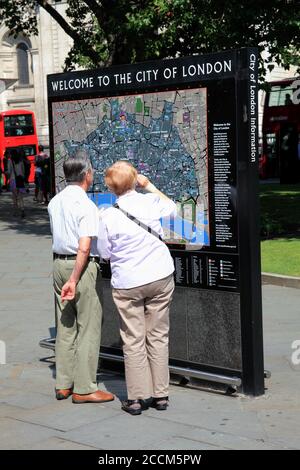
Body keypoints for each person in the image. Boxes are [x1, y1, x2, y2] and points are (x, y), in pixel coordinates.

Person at [97, 161, 176, 415]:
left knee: (133, 340)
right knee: (158, 335)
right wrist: (149, 185)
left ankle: (136, 399)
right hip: (160, 275)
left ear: (110, 187)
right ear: (135, 180)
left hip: (128, 282)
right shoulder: (150, 202)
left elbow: (105, 253)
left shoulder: (107, 215)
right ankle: (161, 395)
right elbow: (173, 208)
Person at [47, 155, 114, 404]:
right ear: (86, 175)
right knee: (88, 326)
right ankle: (85, 388)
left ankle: (63, 383)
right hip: (81, 268)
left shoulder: (55, 202)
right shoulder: (86, 205)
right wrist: (74, 279)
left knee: (65, 325)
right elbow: (84, 247)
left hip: (58, 263)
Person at [7, 148, 26, 217]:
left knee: (14, 197)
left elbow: (9, 172)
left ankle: (15, 212)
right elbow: (23, 171)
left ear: (11, 154)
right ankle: (22, 209)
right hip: (20, 180)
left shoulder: (10, 161)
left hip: (13, 180)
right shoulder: (20, 161)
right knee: (20, 197)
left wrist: (8, 179)